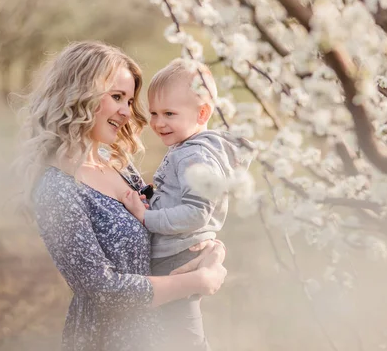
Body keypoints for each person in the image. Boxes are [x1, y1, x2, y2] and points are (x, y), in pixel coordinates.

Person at [14, 41, 227, 351]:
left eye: (129, 100)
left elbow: (167, 217)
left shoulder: (118, 166)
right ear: (79, 94)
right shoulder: (57, 188)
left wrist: (212, 250)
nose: (127, 112)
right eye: (117, 97)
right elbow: (104, 291)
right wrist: (197, 282)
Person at [120, 58, 251, 351]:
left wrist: (145, 216)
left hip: (176, 257)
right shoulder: (190, 149)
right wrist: (152, 201)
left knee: (182, 334)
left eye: (169, 113)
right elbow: (182, 198)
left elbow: (196, 212)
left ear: (202, 113)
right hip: (177, 251)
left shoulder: (194, 157)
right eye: (153, 112)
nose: (157, 122)